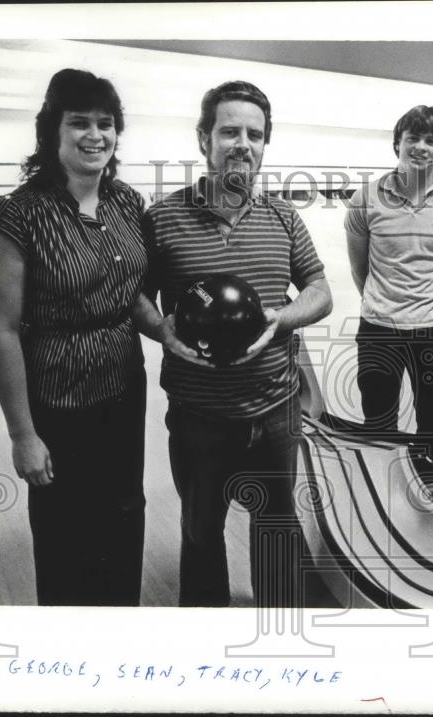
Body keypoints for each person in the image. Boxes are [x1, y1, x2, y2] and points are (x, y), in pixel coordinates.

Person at [133, 81, 332, 608]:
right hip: (200, 415)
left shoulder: (285, 218)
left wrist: (281, 318)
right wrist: (162, 330)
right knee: (201, 533)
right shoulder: (161, 220)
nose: (243, 143)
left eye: (255, 134)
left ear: (266, 143)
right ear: (204, 139)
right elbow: (134, 295)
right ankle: (208, 643)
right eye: (229, 131)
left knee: (275, 525)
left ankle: (277, 633)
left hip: (276, 409)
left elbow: (320, 290)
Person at [0, 69, 147, 606]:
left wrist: (168, 332)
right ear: (52, 131)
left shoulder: (126, 203)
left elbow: (134, 293)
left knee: (125, 518)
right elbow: (2, 332)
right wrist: (21, 434)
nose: (95, 135)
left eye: (106, 123)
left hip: (124, 392)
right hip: (57, 403)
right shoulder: (17, 217)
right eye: (79, 122)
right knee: (65, 537)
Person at [345, 105, 433, 445]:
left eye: (431, 140)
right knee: (378, 424)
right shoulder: (366, 198)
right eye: (413, 138)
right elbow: (360, 268)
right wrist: (384, 303)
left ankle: (431, 489)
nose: (421, 146)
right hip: (379, 328)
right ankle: (382, 492)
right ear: (397, 144)